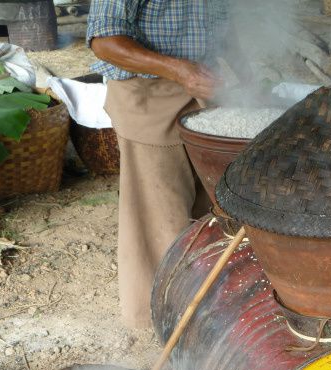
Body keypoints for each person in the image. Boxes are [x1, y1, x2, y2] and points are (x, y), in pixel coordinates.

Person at [86, 1, 247, 329]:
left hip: (202, 93)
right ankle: (165, 319)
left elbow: (224, 26)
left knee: (212, 208)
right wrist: (181, 70)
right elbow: (104, 41)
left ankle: (206, 305)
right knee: (161, 220)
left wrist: (249, 78)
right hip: (148, 94)